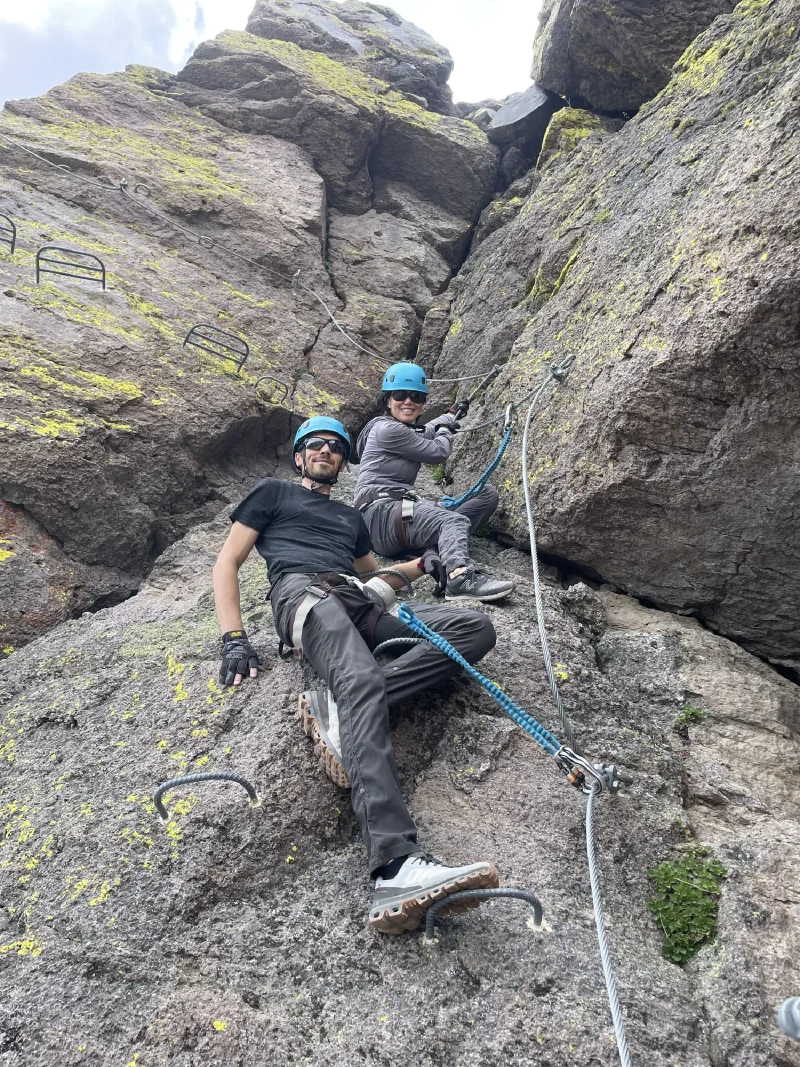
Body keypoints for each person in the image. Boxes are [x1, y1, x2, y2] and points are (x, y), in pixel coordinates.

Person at [212, 415, 500, 934]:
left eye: (335, 447)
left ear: (344, 462)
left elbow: (374, 575)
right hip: (305, 595)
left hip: (360, 601)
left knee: (473, 629)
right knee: (360, 679)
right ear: (299, 456)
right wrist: (234, 638)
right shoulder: (273, 493)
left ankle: (343, 709)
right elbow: (227, 562)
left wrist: (422, 565)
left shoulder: (350, 518)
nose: (325, 451)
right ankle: (394, 866)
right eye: (315, 445)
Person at [354, 362, 513, 602]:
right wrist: (446, 429)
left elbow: (427, 429)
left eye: (416, 397)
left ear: (422, 403)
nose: (408, 401)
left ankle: (438, 551)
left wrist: (451, 414)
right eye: (400, 395)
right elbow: (438, 451)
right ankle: (459, 577)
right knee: (453, 520)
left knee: (486, 495)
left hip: (398, 516)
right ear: (388, 401)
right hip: (382, 515)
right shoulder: (386, 429)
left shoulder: (401, 429)